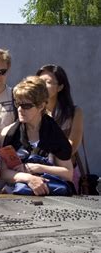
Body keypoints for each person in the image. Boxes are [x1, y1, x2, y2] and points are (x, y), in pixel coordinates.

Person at [0, 76, 73, 196]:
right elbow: (3, 172)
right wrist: (29, 178)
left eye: (26, 106)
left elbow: (68, 173)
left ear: (41, 106)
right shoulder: (9, 133)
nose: (20, 109)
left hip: (50, 197)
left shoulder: (54, 133)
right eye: (17, 104)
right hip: (17, 196)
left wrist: (38, 168)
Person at [36, 64, 83, 193]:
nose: (43, 85)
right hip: (36, 173)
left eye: (49, 82)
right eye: (40, 81)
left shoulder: (74, 112)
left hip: (64, 171)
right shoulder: (33, 110)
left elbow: (72, 146)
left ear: (60, 87)